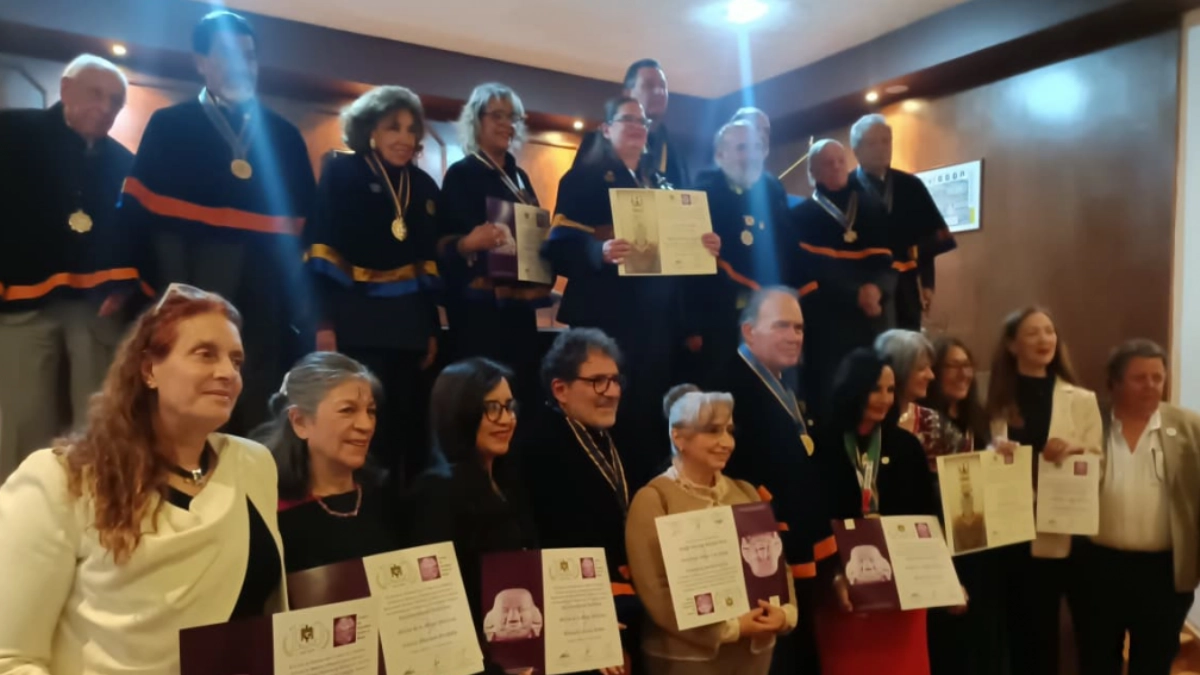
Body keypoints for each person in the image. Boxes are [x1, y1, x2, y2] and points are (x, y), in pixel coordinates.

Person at [0, 284, 285, 674]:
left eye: (236, 361)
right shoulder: (59, 478)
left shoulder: (254, 464)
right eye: (206, 354)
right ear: (149, 369)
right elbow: (11, 658)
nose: (227, 373)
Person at [117, 11, 316, 436]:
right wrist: (130, 283)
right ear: (201, 62)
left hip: (265, 290)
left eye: (249, 56)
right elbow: (136, 215)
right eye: (227, 55)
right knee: (189, 395)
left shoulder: (284, 136)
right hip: (190, 274)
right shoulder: (170, 126)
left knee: (259, 396)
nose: (241, 66)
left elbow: (308, 231)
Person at [545, 96, 720, 486]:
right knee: (612, 417)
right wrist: (597, 251)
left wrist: (702, 247)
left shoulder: (663, 185)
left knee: (651, 420)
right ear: (606, 129)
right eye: (627, 120)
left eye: (642, 121)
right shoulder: (582, 178)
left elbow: (680, 262)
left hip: (658, 330)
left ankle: (652, 502)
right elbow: (556, 247)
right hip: (606, 324)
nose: (638, 127)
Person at [0, 54, 139, 479]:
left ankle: (92, 507)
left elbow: (136, 232)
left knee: (97, 414)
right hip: (19, 300)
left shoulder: (124, 161)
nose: (106, 107)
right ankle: (17, 512)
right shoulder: (11, 132)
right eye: (95, 94)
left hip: (96, 305)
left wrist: (126, 285)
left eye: (115, 101)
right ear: (64, 90)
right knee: (22, 414)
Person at [305, 85, 441, 484]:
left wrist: (430, 329)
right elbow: (320, 252)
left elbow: (426, 268)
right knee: (362, 432)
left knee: (406, 433)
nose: (403, 138)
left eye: (410, 129)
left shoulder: (424, 186)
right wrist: (323, 322)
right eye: (392, 128)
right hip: (355, 325)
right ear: (371, 131)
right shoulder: (342, 172)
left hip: (409, 331)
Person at [626, 384, 796, 675]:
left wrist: (784, 614)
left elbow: (779, 567)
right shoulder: (654, 499)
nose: (726, 442)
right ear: (678, 436)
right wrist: (728, 628)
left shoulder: (746, 492)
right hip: (687, 662)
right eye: (713, 430)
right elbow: (656, 591)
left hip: (754, 658)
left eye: (729, 430)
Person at [706, 286, 830, 675]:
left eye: (799, 328)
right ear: (749, 331)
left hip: (794, 546)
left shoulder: (784, 383)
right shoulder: (726, 388)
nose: (794, 336)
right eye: (781, 326)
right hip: (759, 553)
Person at [985, 306, 1101, 675]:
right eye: (1033, 332)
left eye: (1049, 331)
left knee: (1089, 636)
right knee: (1030, 639)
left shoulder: (1081, 399)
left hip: (1070, 528)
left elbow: (1100, 464)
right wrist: (993, 456)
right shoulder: (994, 401)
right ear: (1012, 344)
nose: (1044, 340)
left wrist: (1070, 453)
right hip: (1016, 532)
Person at [1072, 340, 1200, 675]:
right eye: (1139, 378)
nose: (1151, 386)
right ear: (1113, 383)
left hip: (1163, 574)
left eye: (1158, 377)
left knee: (1154, 664)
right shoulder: (1086, 423)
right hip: (1097, 568)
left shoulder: (1189, 428)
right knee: (1097, 661)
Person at [517, 328, 642, 669]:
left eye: (615, 380)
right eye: (598, 381)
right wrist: (589, 627)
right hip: (579, 617)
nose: (612, 392)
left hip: (634, 602)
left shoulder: (626, 436)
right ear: (560, 389)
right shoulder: (535, 450)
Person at [813, 348, 942, 675]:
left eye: (889, 389)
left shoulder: (906, 446)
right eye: (875, 388)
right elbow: (812, 518)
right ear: (853, 387)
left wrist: (941, 577)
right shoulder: (822, 444)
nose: (884, 398)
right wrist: (834, 574)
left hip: (902, 585)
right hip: (843, 588)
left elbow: (927, 517)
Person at [405, 358, 538, 673]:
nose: (506, 419)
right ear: (458, 413)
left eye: (509, 406)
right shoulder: (435, 489)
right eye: (492, 408)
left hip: (520, 652)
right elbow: (435, 600)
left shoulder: (508, 481)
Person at [437, 83, 550, 403]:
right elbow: (443, 244)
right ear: (477, 121)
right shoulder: (461, 174)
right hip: (479, 316)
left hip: (519, 311)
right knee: (480, 398)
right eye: (497, 116)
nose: (506, 124)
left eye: (512, 116)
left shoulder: (522, 178)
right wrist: (468, 243)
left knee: (520, 395)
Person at [253, 352, 401, 574]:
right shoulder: (271, 515)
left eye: (370, 411)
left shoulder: (386, 498)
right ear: (300, 422)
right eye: (347, 410)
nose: (366, 425)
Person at [919, 335, 1010, 675]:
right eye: (952, 366)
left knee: (984, 638)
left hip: (983, 546)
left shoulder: (981, 421)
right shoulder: (923, 422)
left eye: (967, 365)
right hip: (941, 543)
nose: (962, 373)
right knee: (947, 642)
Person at [790, 139, 895, 415]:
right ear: (812, 173)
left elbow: (887, 265)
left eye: (841, 161)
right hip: (826, 329)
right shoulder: (799, 217)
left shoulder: (871, 208)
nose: (837, 167)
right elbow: (804, 274)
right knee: (830, 404)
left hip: (871, 322)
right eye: (828, 163)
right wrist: (854, 295)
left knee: (872, 399)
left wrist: (877, 289)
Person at [690, 121, 795, 378]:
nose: (751, 155)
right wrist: (691, 326)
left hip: (770, 312)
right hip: (719, 317)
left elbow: (786, 245)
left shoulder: (772, 190)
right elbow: (687, 272)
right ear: (720, 155)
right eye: (741, 148)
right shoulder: (702, 193)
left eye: (757, 147)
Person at [848, 115, 957, 330]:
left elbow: (926, 239)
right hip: (867, 288)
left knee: (907, 349)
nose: (881, 148)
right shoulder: (846, 189)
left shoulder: (911, 186)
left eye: (886, 141)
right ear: (856, 150)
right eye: (872, 143)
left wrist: (927, 283)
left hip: (906, 284)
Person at [574, 59, 688, 188]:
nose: (659, 92)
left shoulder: (674, 151)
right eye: (649, 85)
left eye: (663, 86)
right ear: (627, 93)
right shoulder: (598, 141)